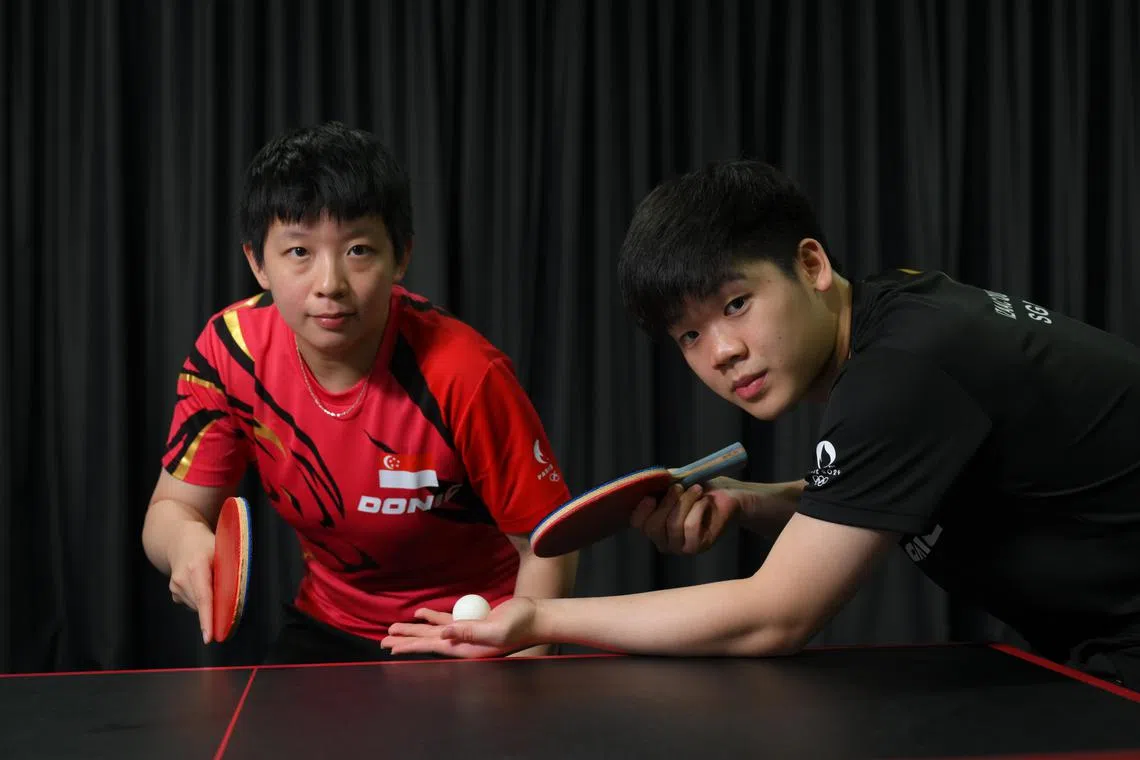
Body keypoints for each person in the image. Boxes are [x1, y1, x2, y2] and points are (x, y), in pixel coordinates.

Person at [381, 159, 1140, 689]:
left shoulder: (906, 369)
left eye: (736, 304)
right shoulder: (905, 314)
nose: (723, 351)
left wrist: (540, 615)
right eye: (689, 335)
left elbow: (773, 617)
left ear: (811, 265)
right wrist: (751, 503)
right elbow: (888, 486)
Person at [141, 122, 577, 663]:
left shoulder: (465, 373)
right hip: (328, 626)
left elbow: (548, 545)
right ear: (258, 263)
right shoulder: (231, 353)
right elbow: (170, 510)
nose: (330, 283)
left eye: (359, 249)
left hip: (469, 632)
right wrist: (185, 544)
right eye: (298, 251)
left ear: (401, 257)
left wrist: (520, 669)